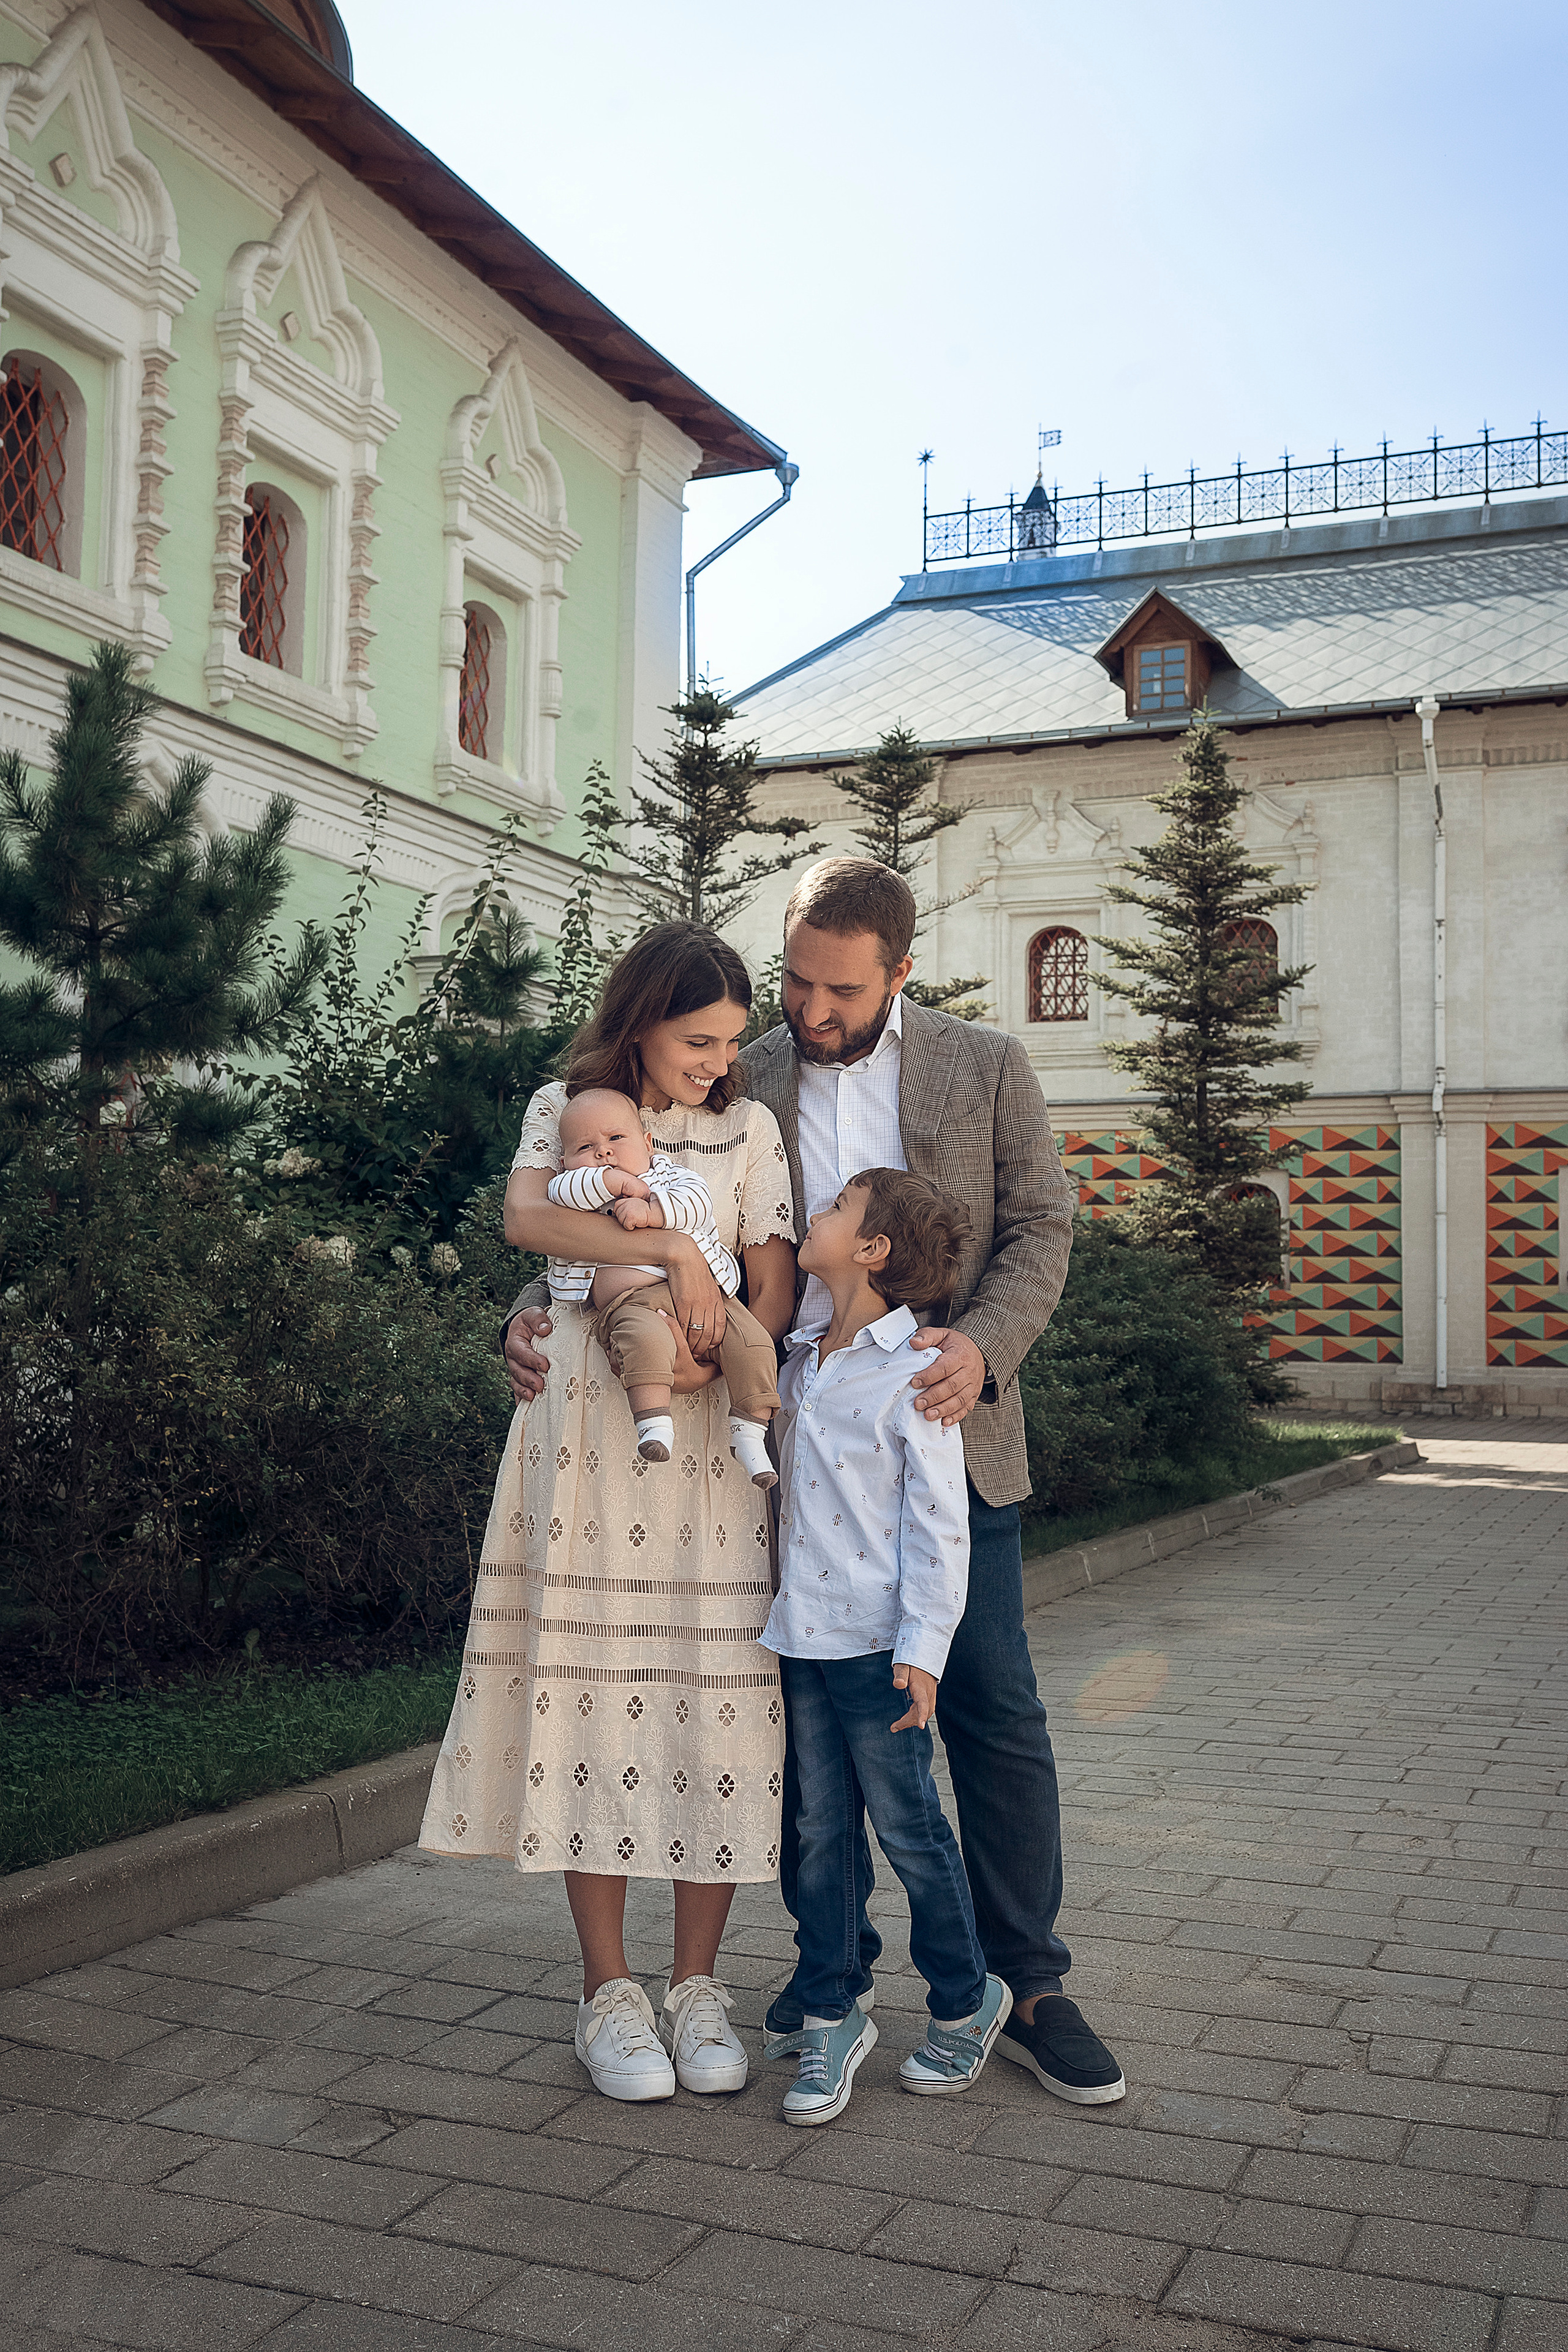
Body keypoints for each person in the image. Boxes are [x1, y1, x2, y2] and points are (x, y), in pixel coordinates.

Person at [504, 861, 1125, 2105]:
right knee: (798, 1727)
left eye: (836, 987)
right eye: (793, 976)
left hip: (938, 1426)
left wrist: (980, 1348)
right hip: (780, 1449)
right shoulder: (748, 1064)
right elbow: (635, 1190)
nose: (807, 1007)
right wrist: (530, 1311)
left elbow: (1041, 1225)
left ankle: (1027, 1983)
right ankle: (824, 1972)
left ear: (900, 972)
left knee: (989, 1711)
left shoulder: (983, 1064)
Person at [423, 924, 799, 2106]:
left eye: (735, 1041)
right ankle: (608, 1994)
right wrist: (684, 1257)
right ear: (639, 1022)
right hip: (586, 1438)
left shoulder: (754, 1127)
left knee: (719, 1712)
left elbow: (773, 1281)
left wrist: (707, 1305)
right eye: (699, 1039)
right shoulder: (567, 1104)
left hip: (706, 1447)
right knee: (593, 1700)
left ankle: (696, 1988)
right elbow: (529, 1224)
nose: (718, 1061)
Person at [763, 1166, 1012, 2127]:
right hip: (803, 1638)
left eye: (832, 1211)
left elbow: (940, 1526)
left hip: (879, 1645)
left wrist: (925, 1649)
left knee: (909, 1830)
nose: (811, 1216)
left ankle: (964, 1997)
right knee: (820, 1832)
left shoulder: (915, 1373)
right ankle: (830, 2003)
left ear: (871, 1252)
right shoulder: (796, 1357)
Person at [548, 1085, 780, 1481]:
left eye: (616, 1139)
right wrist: (615, 1185)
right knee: (645, 1343)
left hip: (712, 1299)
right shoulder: (576, 1192)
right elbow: (559, 1189)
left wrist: (652, 1209)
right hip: (633, 1304)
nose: (604, 1153)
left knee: (755, 1345)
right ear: (565, 1160)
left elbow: (697, 1201)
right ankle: (654, 1425)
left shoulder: (668, 1176)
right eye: (586, 1147)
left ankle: (750, 1432)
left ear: (648, 1143)